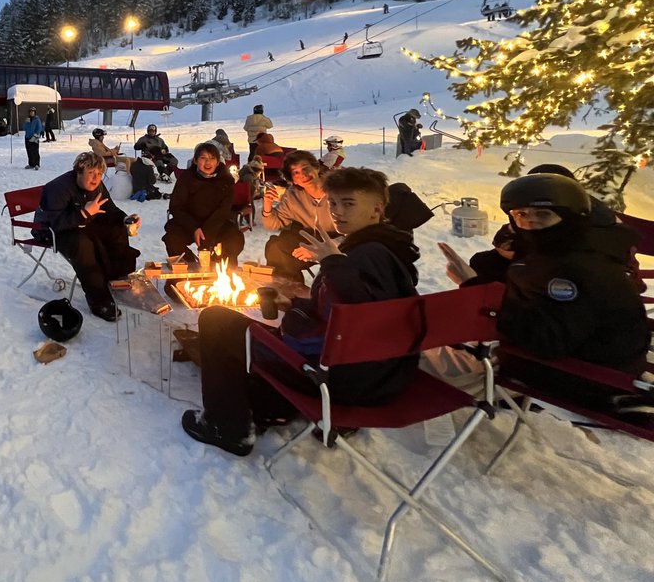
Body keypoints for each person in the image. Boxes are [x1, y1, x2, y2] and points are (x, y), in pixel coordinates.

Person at [182, 167, 421, 455]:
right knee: (256, 329)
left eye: (349, 204)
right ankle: (273, 406)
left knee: (216, 320)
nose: (337, 212)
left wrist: (331, 267)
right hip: (372, 372)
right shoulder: (388, 249)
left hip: (336, 379)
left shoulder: (365, 256)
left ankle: (227, 426)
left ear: (376, 209)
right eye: (333, 203)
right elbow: (349, 313)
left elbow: (356, 315)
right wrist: (296, 305)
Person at [443, 173, 649, 412]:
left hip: (589, 377)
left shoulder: (575, 267)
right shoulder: (568, 249)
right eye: (521, 214)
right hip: (595, 362)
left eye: (543, 214)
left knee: (432, 366)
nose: (530, 223)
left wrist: (475, 288)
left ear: (569, 216)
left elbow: (545, 341)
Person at [34, 151, 140, 322]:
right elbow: (54, 222)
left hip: (81, 224)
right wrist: (83, 214)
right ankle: (99, 301)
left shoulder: (97, 186)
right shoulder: (58, 188)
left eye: (99, 173)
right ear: (79, 171)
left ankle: (116, 278)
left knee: (116, 229)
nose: (96, 178)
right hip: (52, 231)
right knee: (82, 245)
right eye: (91, 173)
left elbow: (109, 209)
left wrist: (125, 219)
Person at [261, 150, 338, 285]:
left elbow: (356, 231)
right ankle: (289, 290)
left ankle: (332, 295)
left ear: (316, 168)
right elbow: (274, 224)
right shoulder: (293, 195)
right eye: (296, 173)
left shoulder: (337, 190)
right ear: (292, 179)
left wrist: (324, 248)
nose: (302, 175)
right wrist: (267, 205)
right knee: (276, 247)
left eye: (305, 168)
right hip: (310, 237)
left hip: (340, 240)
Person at [163, 142, 244, 264]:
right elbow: (176, 207)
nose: (208, 162)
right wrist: (194, 228)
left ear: (217, 162)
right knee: (172, 239)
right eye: (203, 158)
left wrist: (207, 233)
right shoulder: (186, 178)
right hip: (190, 224)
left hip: (216, 223)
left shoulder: (226, 179)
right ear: (195, 160)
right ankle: (189, 266)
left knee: (235, 239)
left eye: (212, 158)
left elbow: (224, 210)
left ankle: (218, 266)